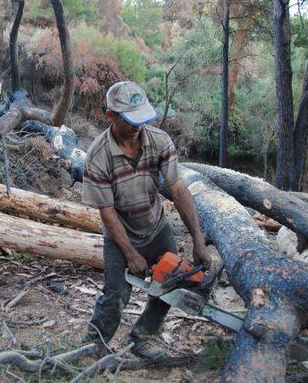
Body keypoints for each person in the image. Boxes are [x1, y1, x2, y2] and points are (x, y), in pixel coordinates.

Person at [82, 81, 212, 359]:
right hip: (121, 234)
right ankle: (93, 345)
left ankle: (144, 335)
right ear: (111, 116)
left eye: (141, 118)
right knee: (116, 295)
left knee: (173, 281)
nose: (137, 126)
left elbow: (178, 189)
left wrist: (198, 241)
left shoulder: (159, 141)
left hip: (156, 226)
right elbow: (106, 211)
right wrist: (130, 253)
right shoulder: (97, 155)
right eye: (130, 120)